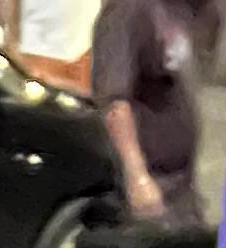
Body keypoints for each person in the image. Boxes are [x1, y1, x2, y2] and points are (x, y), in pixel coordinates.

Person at [90, 0, 210, 227]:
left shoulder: (174, 8)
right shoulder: (124, 11)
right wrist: (138, 177)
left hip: (180, 183)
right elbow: (115, 105)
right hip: (150, 182)